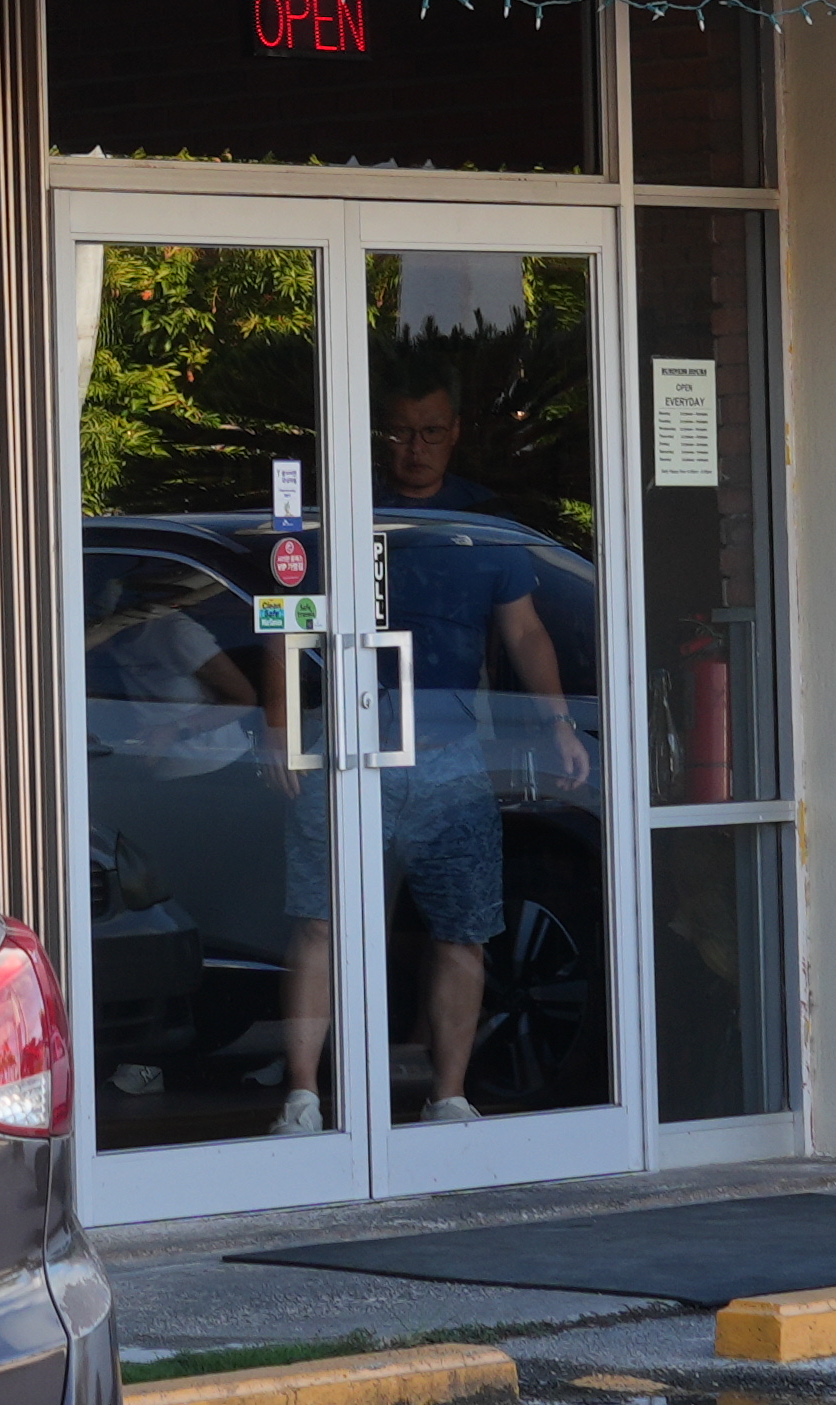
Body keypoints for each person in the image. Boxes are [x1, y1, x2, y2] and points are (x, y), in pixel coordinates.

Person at [228, 372, 576, 1132]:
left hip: (451, 752)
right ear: (380, 435)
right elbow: (288, 624)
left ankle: (447, 1095)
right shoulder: (340, 513)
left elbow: (523, 630)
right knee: (320, 920)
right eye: (401, 432)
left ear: (455, 433)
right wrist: (282, 731)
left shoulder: (483, 521)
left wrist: (556, 722)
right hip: (346, 743)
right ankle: (303, 1095)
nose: (414, 448)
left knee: (463, 926)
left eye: (430, 431)